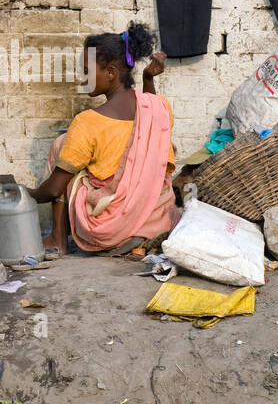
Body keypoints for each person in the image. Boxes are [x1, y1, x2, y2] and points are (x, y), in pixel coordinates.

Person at [27, 22, 179, 255]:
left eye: (86, 71)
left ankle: (58, 238)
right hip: (155, 219)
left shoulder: (88, 122)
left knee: (61, 145)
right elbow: (151, 124)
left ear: (110, 72)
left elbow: (53, 190)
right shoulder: (159, 107)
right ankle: (142, 236)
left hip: (109, 230)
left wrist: (27, 194)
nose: (80, 78)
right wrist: (149, 79)